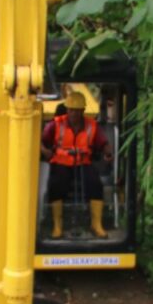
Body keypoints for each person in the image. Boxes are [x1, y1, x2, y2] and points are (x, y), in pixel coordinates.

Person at [41, 91, 112, 239]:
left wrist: (107, 152)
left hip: (83, 162)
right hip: (61, 162)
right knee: (57, 184)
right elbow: (39, 140)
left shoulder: (92, 125)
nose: (74, 113)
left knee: (95, 183)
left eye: (77, 110)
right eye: (71, 110)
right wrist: (46, 151)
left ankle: (96, 224)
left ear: (83, 111)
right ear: (67, 110)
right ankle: (57, 226)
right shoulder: (55, 124)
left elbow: (103, 142)